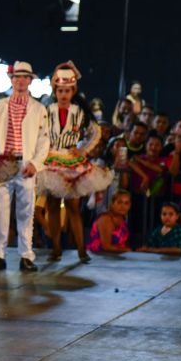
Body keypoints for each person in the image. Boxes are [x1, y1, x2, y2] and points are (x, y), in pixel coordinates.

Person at [38, 61, 111, 262]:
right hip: (50, 158)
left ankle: (81, 249)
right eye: (60, 90)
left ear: (73, 90)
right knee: (52, 205)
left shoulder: (80, 111)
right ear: (55, 89)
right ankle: (55, 248)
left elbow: (96, 132)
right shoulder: (46, 108)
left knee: (72, 206)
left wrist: (83, 149)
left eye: (67, 90)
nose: (63, 94)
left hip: (71, 160)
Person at [0, 61, 49, 272]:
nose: (20, 81)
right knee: (0, 211)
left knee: (26, 211)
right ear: (11, 79)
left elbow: (44, 140)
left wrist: (35, 163)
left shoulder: (39, 108)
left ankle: (26, 255)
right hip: (4, 163)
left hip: (26, 163)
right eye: (17, 77)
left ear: (30, 80)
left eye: (25, 77)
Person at [88, 189, 131, 253]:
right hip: (99, 258)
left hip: (116, 257)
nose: (123, 206)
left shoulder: (122, 219)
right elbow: (106, 247)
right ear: (112, 204)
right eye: (119, 202)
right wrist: (129, 250)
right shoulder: (105, 219)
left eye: (126, 203)